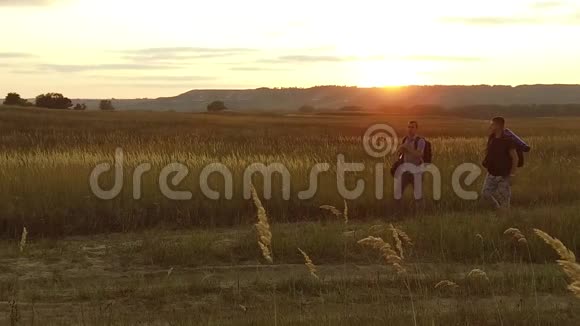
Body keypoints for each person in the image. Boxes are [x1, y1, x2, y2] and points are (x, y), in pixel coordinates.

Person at [482, 116, 519, 215]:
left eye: (492, 124)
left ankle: (506, 220)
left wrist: (512, 175)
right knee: (485, 194)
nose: (490, 126)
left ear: (498, 126)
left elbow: (515, 158)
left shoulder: (508, 140)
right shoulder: (492, 138)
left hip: (504, 175)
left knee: (504, 201)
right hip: (491, 173)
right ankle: (498, 210)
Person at [394, 121, 426, 212]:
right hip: (406, 171)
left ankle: (420, 216)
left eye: (412, 127)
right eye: (408, 127)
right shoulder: (405, 139)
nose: (410, 129)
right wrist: (400, 151)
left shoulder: (420, 141)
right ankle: (398, 213)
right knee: (398, 193)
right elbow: (401, 154)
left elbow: (419, 154)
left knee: (418, 196)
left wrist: (407, 148)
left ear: (416, 129)